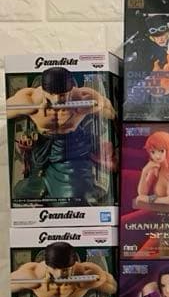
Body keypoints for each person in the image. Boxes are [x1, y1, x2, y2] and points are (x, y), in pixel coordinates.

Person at [7, 66, 115, 205]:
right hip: (41, 150)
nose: (57, 99)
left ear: (71, 90)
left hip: (71, 150)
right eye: (51, 94)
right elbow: (4, 111)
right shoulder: (30, 100)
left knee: (73, 197)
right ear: (44, 90)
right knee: (23, 193)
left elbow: (112, 114)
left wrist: (96, 107)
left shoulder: (83, 98)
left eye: (63, 95)